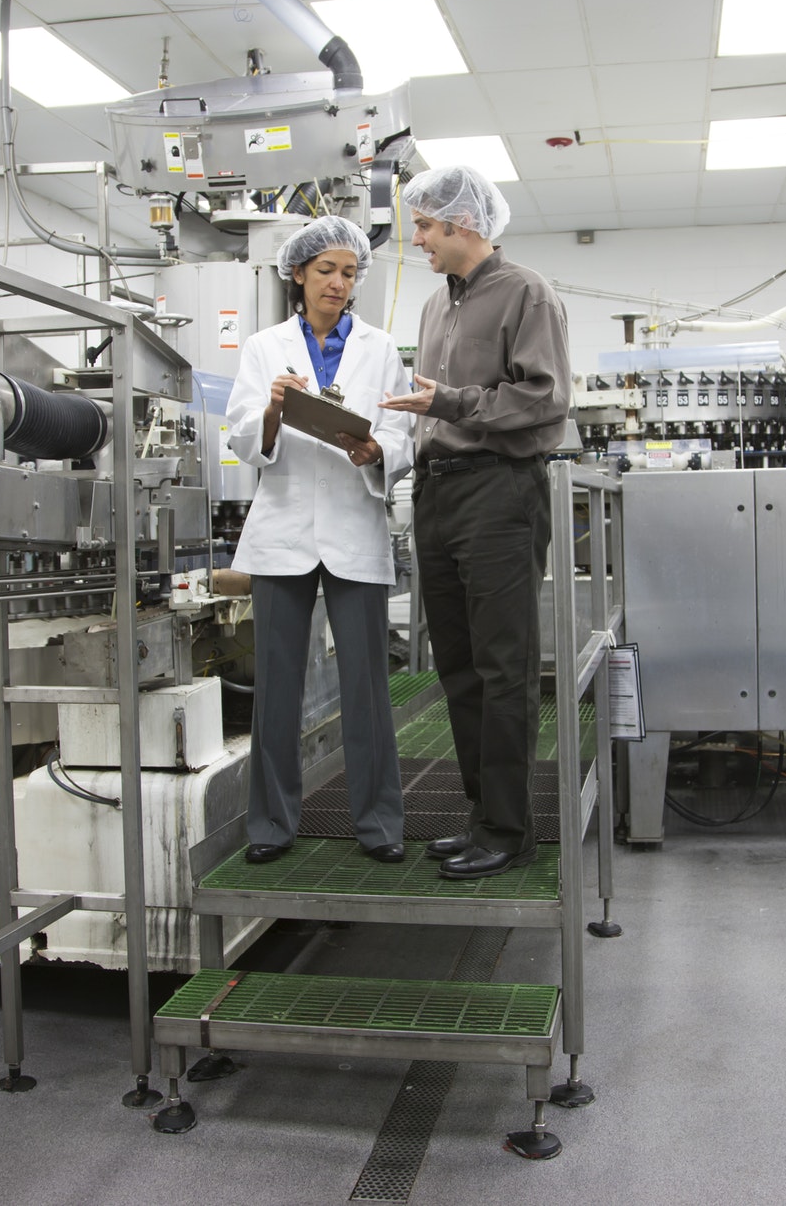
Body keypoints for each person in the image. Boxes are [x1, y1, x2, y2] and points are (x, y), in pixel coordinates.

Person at [377, 166, 571, 880]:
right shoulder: (435, 306)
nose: (419, 240)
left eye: (426, 226)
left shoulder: (525, 293)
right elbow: (432, 409)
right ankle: (481, 815)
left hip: (499, 492)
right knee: (458, 668)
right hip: (438, 494)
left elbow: (544, 398)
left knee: (501, 668)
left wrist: (452, 404)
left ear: (462, 224)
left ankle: (509, 829)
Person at [225, 215, 415, 864]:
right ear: (299, 273)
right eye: (327, 270)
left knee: (367, 690)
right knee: (276, 689)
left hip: (353, 526)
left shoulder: (381, 348)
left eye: (349, 272)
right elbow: (242, 434)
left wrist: (377, 451)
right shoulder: (264, 347)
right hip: (283, 533)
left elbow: (400, 432)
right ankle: (270, 826)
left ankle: (380, 825)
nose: (338, 283)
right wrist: (275, 410)